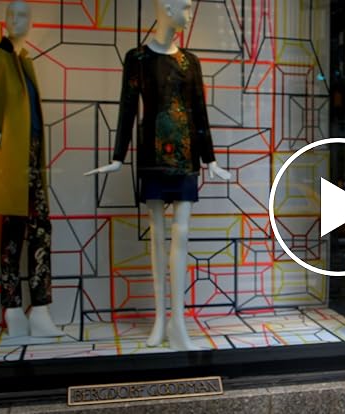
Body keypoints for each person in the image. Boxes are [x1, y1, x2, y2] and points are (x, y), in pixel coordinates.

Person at [85, 0, 231, 351]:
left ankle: (178, 322)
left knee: (181, 236)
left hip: (186, 159)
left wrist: (210, 159)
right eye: (186, 7)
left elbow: (199, 112)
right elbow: (127, 109)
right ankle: (160, 320)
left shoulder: (190, 62)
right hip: (151, 156)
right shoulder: (137, 58)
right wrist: (118, 157)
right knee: (157, 238)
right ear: (166, 8)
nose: (190, 14)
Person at [0, 1, 64, 338]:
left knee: (39, 229)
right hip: (13, 159)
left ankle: (39, 308)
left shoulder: (25, 63)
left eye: (22, 15)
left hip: (33, 156)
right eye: (11, 14)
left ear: (31, 22)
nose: (15, 20)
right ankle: (13, 308)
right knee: (15, 231)